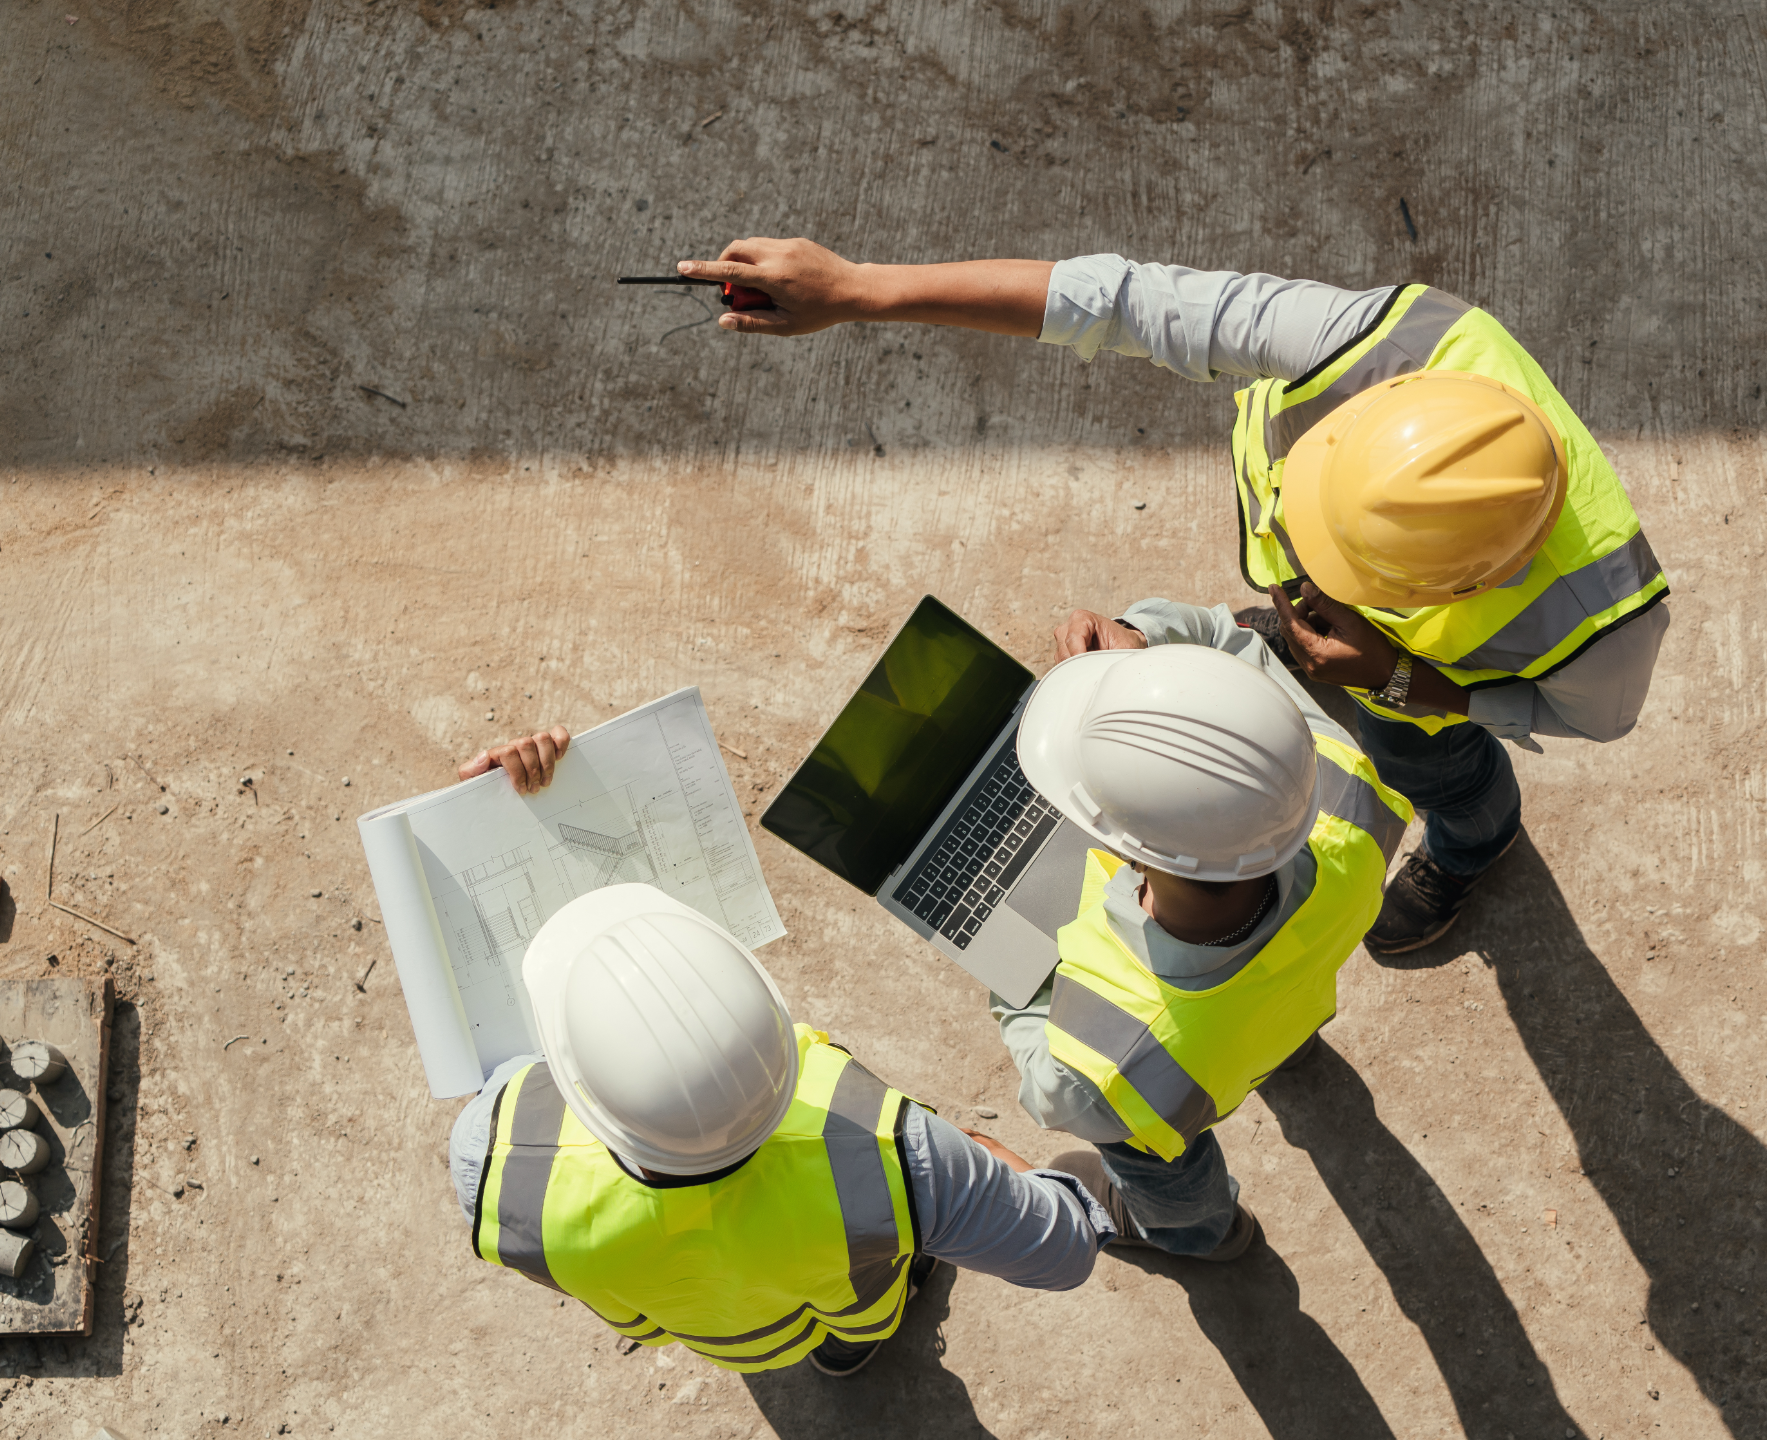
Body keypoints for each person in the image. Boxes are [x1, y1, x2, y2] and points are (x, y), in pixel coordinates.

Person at [672, 241, 1670, 953]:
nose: (1298, 573)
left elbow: (1582, 721)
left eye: (1336, 569)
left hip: (1412, 689)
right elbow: (1119, 301)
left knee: (1438, 771)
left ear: (1461, 581)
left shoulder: (1607, 633)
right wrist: (860, 289)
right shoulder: (1378, 342)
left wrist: (1409, 685)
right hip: (1367, 654)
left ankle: (1475, 841)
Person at [447, 731, 1116, 1378]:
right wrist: (969, 1162)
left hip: (710, 1329)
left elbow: (504, 1055)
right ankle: (850, 1349)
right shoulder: (900, 1156)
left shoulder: (491, 1160)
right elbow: (1063, 1250)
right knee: (858, 1309)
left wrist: (492, 821)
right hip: (851, 1302)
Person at [987, 599, 1411, 1258]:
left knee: (1157, 1162)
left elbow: (1052, 1091)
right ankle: (1288, 1054)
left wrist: (1010, 982)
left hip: (1174, 1083)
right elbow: (1227, 645)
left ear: (1121, 850)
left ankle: (1200, 1233)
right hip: (1277, 1006)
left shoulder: (1103, 1066)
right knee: (1268, 1020)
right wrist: (1143, 654)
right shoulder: (1345, 792)